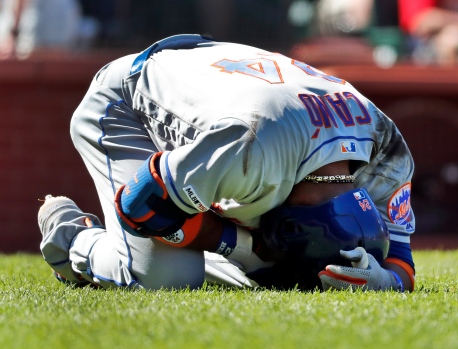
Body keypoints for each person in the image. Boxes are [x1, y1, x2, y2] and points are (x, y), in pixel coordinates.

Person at [37, 34, 416, 292]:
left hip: (218, 76)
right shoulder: (253, 150)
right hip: (126, 99)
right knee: (164, 277)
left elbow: (402, 264)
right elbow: (141, 203)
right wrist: (248, 247)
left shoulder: (385, 146)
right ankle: (70, 236)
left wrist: (385, 280)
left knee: (254, 268)